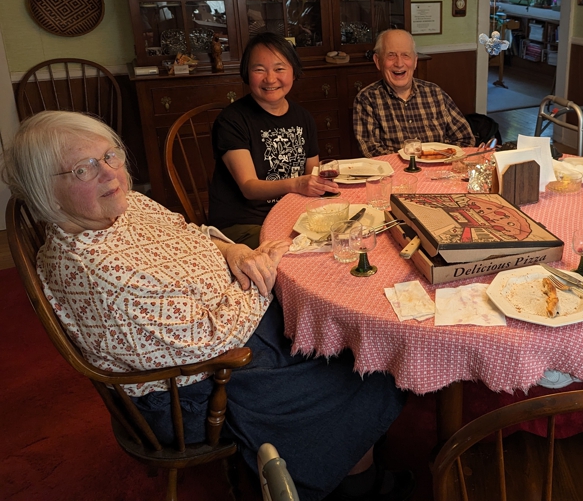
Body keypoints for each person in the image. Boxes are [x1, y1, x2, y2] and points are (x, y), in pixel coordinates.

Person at [2, 111, 412, 500]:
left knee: (340, 307)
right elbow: (208, 341)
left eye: (110, 155)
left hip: (228, 321)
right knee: (364, 362)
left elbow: (190, 231)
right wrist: (262, 278)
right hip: (196, 385)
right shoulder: (99, 272)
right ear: (44, 192)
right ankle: (356, 482)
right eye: (82, 169)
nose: (109, 172)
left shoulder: (121, 207)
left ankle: (357, 451)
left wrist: (233, 251)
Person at [209, 32, 339, 248]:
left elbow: (312, 172)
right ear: (246, 74)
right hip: (244, 224)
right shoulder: (232, 120)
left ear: (294, 73)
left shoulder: (303, 117)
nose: (270, 79)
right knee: (308, 254)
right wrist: (297, 184)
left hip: (292, 214)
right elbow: (249, 187)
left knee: (347, 235)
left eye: (279, 69)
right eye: (259, 69)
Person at [353, 29, 475, 157]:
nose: (399, 63)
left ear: (415, 61)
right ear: (378, 61)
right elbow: (372, 152)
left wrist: (437, 157)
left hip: (441, 172)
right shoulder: (366, 99)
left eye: (406, 55)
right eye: (391, 55)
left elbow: (466, 139)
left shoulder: (435, 93)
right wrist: (414, 161)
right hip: (397, 175)